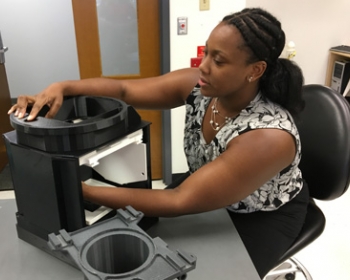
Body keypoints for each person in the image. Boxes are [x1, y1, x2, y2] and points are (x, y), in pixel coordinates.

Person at [8, 8, 309, 278]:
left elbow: (179, 200)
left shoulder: (267, 137)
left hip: (259, 215)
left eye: (218, 60)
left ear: (255, 70)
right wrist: (62, 86)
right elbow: (124, 90)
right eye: (206, 53)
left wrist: (82, 190)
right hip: (205, 186)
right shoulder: (201, 87)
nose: (203, 67)